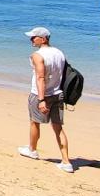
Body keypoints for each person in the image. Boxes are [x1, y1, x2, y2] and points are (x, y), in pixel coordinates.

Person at [18, 26, 73, 173]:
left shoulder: (37, 55)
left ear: (43, 39)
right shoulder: (59, 53)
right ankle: (66, 161)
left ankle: (32, 150)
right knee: (58, 127)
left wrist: (41, 100)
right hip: (57, 93)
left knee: (34, 123)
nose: (31, 40)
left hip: (41, 95)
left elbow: (40, 78)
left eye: (34, 37)